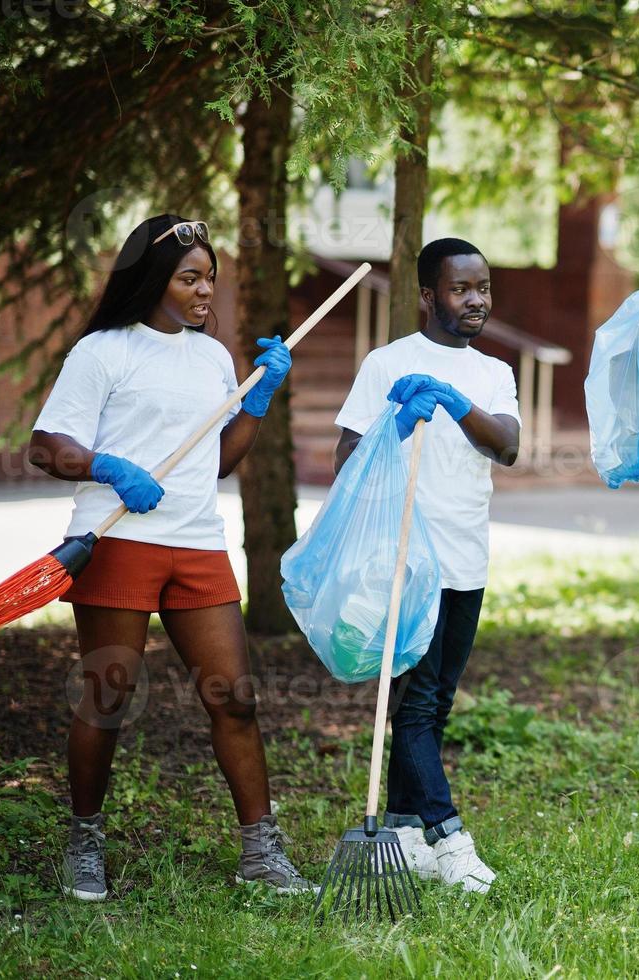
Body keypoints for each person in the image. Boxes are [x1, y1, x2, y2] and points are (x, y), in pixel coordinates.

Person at [29, 214, 311, 900]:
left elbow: (212, 462)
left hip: (196, 543)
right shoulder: (104, 352)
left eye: (210, 277)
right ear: (154, 280)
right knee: (107, 696)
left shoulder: (212, 358)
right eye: (190, 278)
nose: (204, 290)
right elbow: (46, 446)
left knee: (234, 699)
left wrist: (259, 398)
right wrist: (107, 465)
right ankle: (85, 843)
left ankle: (261, 851)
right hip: (119, 538)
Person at [334, 238, 520, 892]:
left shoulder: (494, 373)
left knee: (435, 703)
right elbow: (347, 458)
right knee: (413, 703)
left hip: (468, 557)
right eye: (460, 289)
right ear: (426, 296)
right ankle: (447, 832)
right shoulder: (387, 365)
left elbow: (508, 446)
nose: (475, 301)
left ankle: (405, 828)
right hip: (408, 557)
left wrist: (448, 398)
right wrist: (395, 427)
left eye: (483, 288)